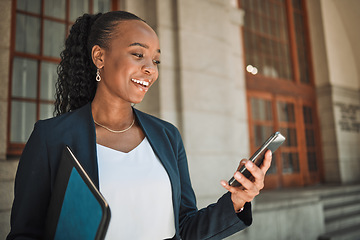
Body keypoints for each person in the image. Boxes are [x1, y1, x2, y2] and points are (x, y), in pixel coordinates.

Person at [7, 11, 272, 240]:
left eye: (155, 60)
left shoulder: (167, 136)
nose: (151, 69)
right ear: (99, 57)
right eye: (138, 54)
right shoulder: (51, 138)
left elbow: (184, 228)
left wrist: (238, 201)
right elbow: (26, 233)